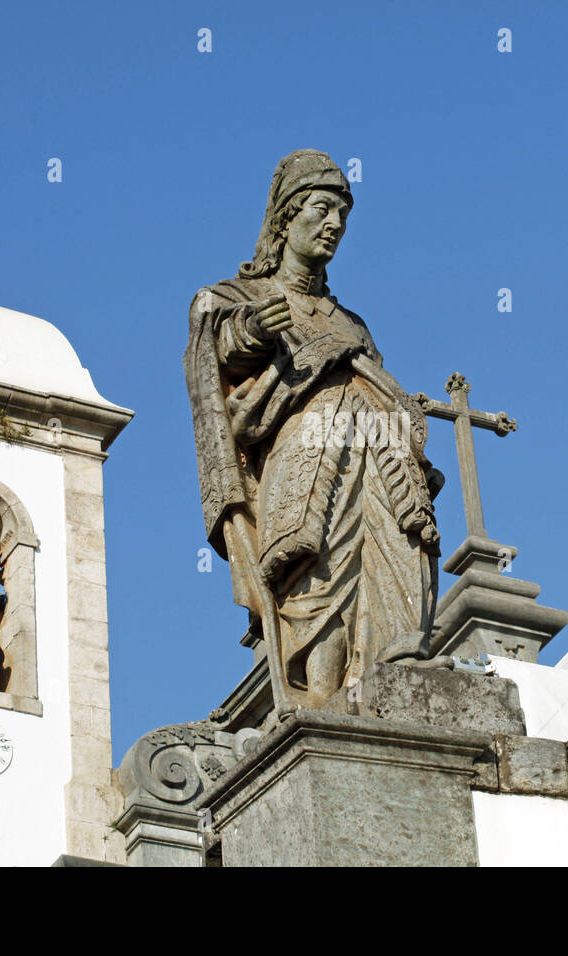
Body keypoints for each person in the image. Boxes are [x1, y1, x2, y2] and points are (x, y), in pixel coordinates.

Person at [185, 150, 443, 710]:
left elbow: (377, 380)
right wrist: (253, 332)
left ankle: (395, 666)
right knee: (318, 575)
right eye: (322, 209)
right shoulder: (237, 298)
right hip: (304, 461)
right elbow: (221, 361)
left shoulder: (351, 323)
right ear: (285, 218)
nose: (334, 225)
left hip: (377, 455)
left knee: (397, 548)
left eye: (342, 217)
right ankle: (320, 702)